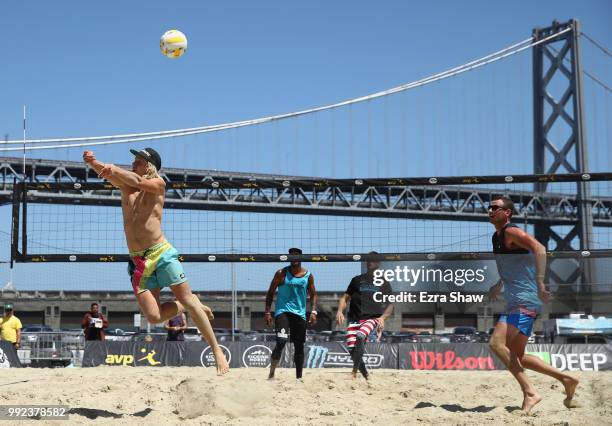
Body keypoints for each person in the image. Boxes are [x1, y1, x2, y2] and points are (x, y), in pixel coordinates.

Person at [83, 148, 229, 375]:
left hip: (161, 253)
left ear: (149, 165)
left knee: (187, 299)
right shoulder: (127, 186)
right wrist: (92, 162)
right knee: (154, 316)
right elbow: (110, 173)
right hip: (138, 261)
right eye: (133, 161)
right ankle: (188, 303)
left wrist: (115, 169)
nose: (133, 164)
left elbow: (132, 178)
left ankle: (216, 350)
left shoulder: (158, 184)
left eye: (138, 161)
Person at [487, 196, 579, 413]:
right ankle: (567, 378)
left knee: (496, 344)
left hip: (525, 299)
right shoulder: (496, 236)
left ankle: (530, 392)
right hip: (514, 299)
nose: (490, 210)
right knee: (517, 356)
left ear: (507, 212)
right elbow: (511, 264)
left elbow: (539, 248)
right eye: (489, 207)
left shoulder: (511, 231)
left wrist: (539, 281)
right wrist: (499, 283)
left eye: (495, 207)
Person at [336, 252, 393, 380]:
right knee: (352, 350)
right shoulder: (356, 280)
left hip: (372, 318)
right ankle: (366, 374)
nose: (369, 262)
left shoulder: (383, 282)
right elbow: (345, 298)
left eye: (372, 260)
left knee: (360, 336)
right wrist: (340, 311)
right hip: (354, 319)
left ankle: (354, 372)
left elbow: (391, 305)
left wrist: (382, 318)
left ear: (378, 264)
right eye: (368, 260)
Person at [265, 248, 317, 380]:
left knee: (299, 346)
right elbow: (270, 293)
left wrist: (314, 311)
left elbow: (313, 295)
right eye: (291, 255)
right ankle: (271, 373)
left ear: (301, 258)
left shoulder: (308, 275)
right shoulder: (281, 273)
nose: (293, 257)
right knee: (281, 341)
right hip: (283, 312)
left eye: (296, 255)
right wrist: (267, 312)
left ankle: (299, 378)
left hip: (299, 314)